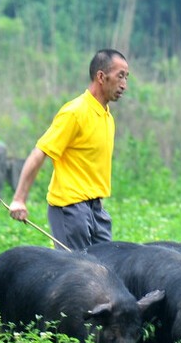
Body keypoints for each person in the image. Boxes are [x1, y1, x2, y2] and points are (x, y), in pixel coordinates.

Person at [8, 48, 129, 251]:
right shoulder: (74, 112)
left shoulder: (107, 117)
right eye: (120, 76)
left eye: (126, 78)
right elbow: (40, 152)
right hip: (71, 208)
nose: (124, 85)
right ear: (101, 76)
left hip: (97, 209)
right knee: (78, 275)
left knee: (106, 272)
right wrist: (19, 199)